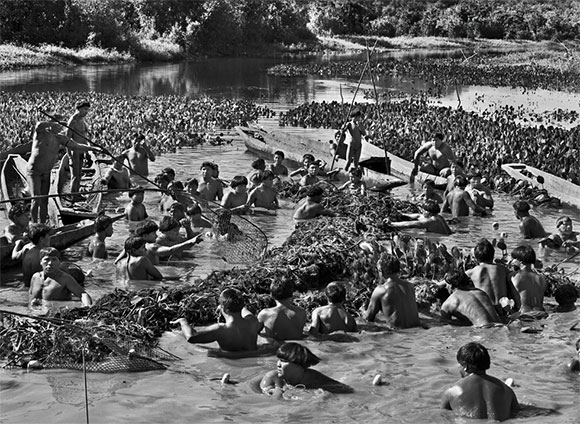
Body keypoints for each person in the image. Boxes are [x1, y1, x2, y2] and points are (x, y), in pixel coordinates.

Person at [27, 117, 100, 223]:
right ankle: (33, 224)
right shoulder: (41, 133)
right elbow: (38, 125)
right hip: (34, 171)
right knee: (36, 199)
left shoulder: (60, 138)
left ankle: (42, 224)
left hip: (47, 173)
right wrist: (51, 123)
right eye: (58, 125)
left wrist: (93, 149)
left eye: (61, 126)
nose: (59, 127)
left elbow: (76, 146)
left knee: (44, 201)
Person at [442, 342, 519, 421]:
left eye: (459, 364)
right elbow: (517, 413)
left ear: (465, 366)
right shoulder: (507, 390)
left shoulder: (452, 391)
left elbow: (443, 416)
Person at [171, 287, 262, 352]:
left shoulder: (221, 329)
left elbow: (191, 337)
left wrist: (183, 322)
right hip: (253, 358)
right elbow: (244, 310)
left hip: (230, 363)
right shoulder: (252, 321)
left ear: (224, 309)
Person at [260, 342, 353, 394]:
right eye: (279, 360)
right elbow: (265, 395)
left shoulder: (313, 377)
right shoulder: (272, 377)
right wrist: (272, 392)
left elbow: (346, 389)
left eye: (284, 361)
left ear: (298, 363)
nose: (278, 364)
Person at [362, 253, 420, 328]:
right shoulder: (410, 286)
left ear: (381, 271)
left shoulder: (381, 290)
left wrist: (362, 311)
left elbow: (368, 318)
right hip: (416, 333)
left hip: (397, 335)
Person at [466, 239, 521, 315]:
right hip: (503, 309)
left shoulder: (471, 272)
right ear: (493, 255)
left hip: (486, 311)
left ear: (476, 258)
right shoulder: (503, 269)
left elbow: (447, 282)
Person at [133, 219, 200, 265]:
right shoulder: (152, 246)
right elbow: (171, 250)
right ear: (144, 236)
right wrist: (191, 242)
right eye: (153, 233)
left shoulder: (132, 245)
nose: (156, 235)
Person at [12, 223, 52, 287]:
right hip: (35, 287)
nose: (50, 238)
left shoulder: (26, 247)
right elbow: (40, 278)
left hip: (27, 284)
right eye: (48, 235)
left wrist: (17, 244)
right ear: (41, 239)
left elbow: (14, 257)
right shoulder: (38, 254)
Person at [510, 245, 546, 313]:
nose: (512, 261)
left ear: (520, 261)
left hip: (524, 314)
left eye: (514, 258)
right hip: (540, 313)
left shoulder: (513, 276)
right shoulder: (541, 279)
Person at [66, 100, 92, 196]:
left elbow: (84, 136)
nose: (86, 112)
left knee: (79, 174)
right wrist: (70, 157)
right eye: (85, 109)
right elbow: (67, 140)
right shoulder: (72, 121)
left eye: (87, 110)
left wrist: (87, 151)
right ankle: (73, 196)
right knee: (75, 176)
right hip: (74, 152)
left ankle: (76, 194)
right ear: (79, 109)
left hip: (81, 150)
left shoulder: (82, 119)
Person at [387, 200, 453, 235]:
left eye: (423, 210)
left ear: (428, 212)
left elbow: (410, 224)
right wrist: (403, 214)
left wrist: (392, 224)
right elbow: (419, 215)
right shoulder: (438, 216)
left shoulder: (431, 221)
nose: (422, 211)